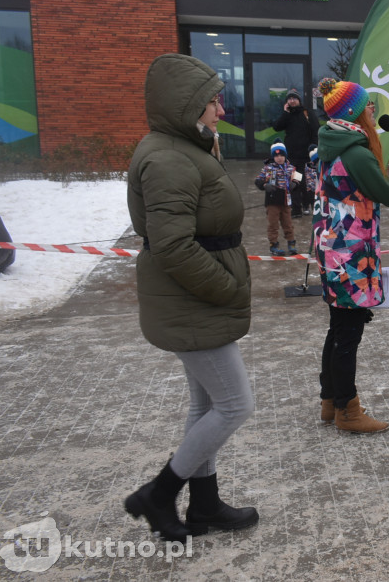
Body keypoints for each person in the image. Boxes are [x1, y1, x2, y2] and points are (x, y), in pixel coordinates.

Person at [124, 53, 257, 542]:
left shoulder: (183, 147)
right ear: (187, 107)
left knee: (205, 405)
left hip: (193, 298)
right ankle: (158, 495)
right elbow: (173, 245)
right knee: (235, 405)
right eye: (212, 102)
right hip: (194, 298)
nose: (220, 111)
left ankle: (203, 505)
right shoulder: (168, 159)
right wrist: (226, 289)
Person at [316, 77, 389, 433]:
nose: (374, 109)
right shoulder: (356, 152)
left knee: (338, 327)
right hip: (350, 254)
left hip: (336, 248)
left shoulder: (333, 142)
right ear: (354, 113)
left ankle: (330, 401)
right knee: (348, 333)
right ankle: (348, 410)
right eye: (368, 105)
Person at [273, 88, 321, 217]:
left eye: (294, 98)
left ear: (299, 100)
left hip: (306, 155)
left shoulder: (307, 113)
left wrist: (314, 150)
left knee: (306, 182)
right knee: (294, 181)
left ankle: (306, 205)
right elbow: (277, 126)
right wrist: (285, 113)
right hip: (292, 155)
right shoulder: (287, 115)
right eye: (289, 99)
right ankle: (296, 209)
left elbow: (315, 131)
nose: (292, 100)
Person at [254, 142, 298, 257]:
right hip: (272, 202)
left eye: (282, 155)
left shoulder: (290, 167)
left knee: (288, 223)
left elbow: (298, 179)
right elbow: (258, 180)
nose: (279, 158)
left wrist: (295, 183)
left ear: (285, 156)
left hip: (285, 201)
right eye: (276, 156)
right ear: (273, 157)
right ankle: (273, 244)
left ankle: (291, 242)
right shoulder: (268, 168)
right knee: (273, 224)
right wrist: (264, 185)